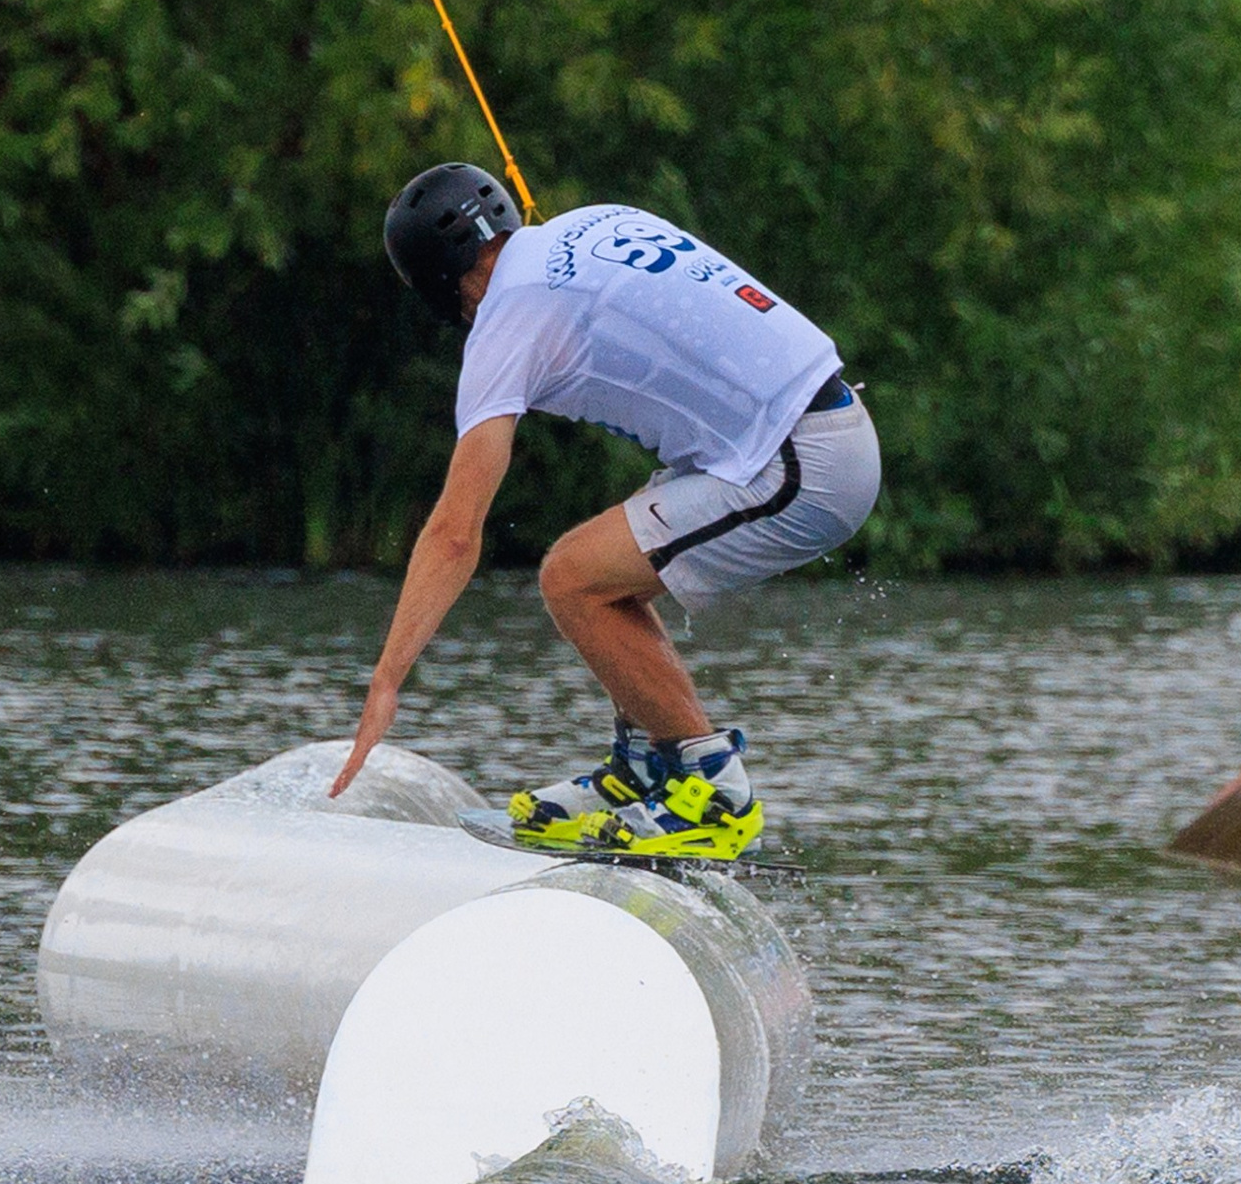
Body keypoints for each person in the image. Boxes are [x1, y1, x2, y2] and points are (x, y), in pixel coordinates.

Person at [330, 164, 879, 860]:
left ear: (443, 284)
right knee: (605, 567)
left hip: (807, 464)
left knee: (572, 578)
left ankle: (713, 793)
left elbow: (454, 535)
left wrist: (385, 682)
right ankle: (649, 770)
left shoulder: (507, 317)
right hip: (810, 431)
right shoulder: (601, 218)